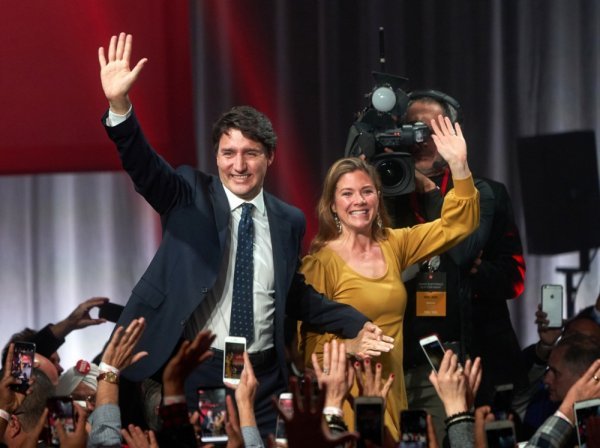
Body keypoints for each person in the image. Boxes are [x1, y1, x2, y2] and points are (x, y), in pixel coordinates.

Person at [97, 32, 392, 436]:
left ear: (269, 157)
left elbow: (295, 294)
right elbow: (143, 166)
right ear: (216, 156)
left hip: (265, 374)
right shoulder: (188, 193)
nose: (239, 165)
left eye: (250, 153)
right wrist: (119, 106)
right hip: (200, 368)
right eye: (228, 153)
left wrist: (355, 323)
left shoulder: (289, 219)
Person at [298, 113, 480, 440]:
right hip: (347, 401)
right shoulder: (319, 263)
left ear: (378, 197)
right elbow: (307, 355)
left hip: (392, 394)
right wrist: (351, 345)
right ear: (332, 204)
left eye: (367, 191)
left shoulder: (393, 244)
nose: (359, 201)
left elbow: (458, 225)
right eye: (348, 194)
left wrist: (459, 166)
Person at [384, 91, 525, 437]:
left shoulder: (483, 191)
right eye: (409, 130)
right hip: (409, 362)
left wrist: (467, 274)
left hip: (477, 357)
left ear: (453, 136)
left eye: (429, 130)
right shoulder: (386, 197)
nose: (418, 140)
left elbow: (512, 277)